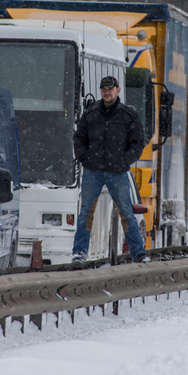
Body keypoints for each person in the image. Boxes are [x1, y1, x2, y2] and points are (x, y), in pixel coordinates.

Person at [71, 75, 148, 264]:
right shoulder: (90, 114)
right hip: (93, 171)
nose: (107, 92)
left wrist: (124, 161)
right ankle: (79, 253)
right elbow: (79, 139)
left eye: (110, 89)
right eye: (104, 89)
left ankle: (138, 253)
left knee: (127, 213)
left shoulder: (128, 115)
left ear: (118, 90)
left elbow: (138, 142)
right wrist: (85, 159)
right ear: (100, 91)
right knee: (85, 213)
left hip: (118, 172)